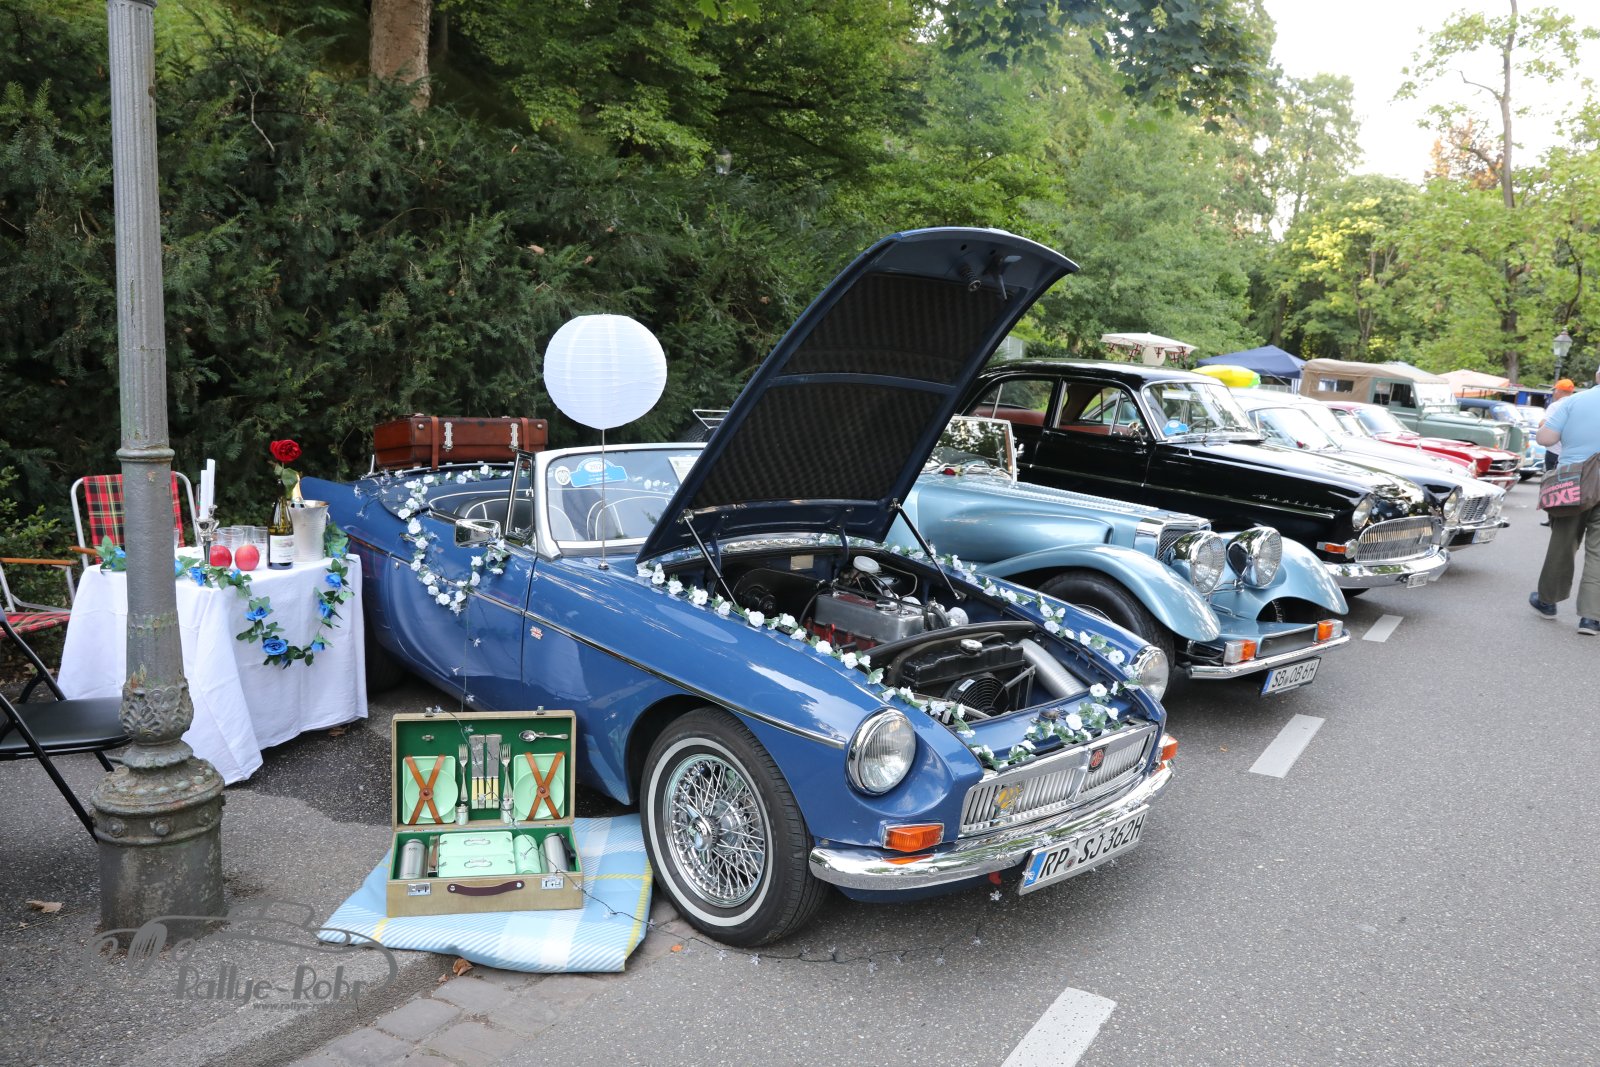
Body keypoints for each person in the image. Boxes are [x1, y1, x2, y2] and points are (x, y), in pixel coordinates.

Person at [1530, 369, 1600, 634]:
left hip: (1575, 479)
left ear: (1598, 376)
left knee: (1563, 542)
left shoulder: (1573, 401)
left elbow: (1546, 438)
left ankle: (1548, 601)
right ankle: (1592, 617)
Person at [1542, 378, 1576, 472]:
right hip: (1571, 453)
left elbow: (1543, 425)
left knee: (1551, 478)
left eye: (1555, 390)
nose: (1554, 393)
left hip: (1554, 451)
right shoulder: (1577, 405)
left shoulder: (1555, 406)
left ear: (1559, 391)